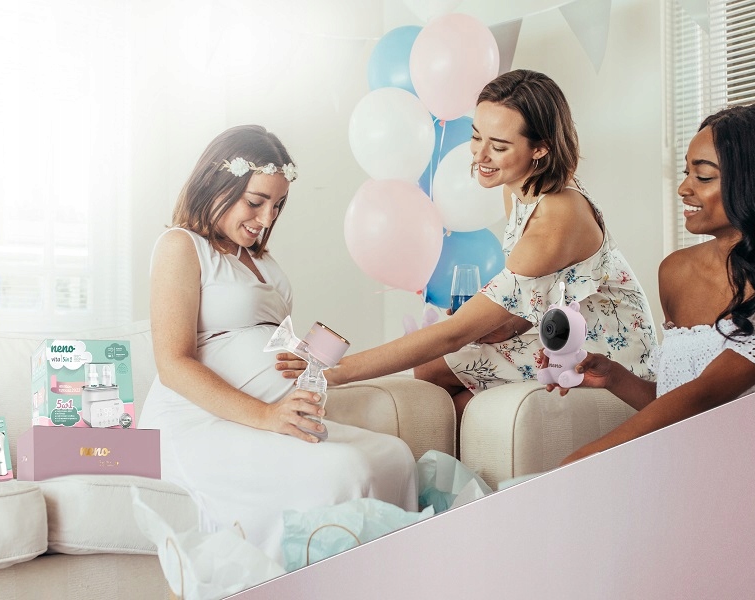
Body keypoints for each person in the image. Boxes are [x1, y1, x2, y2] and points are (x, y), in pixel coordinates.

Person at [306, 70, 657, 426]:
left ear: (540, 148)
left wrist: (338, 370)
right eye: (476, 137)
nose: (480, 155)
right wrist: (507, 326)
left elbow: (455, 333)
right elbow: (547, 292)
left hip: (609, 350)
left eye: (499, 147)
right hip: (568, 329)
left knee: (436, 373)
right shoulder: (517, 191)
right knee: (444, 387)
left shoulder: (555, 222)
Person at [138, 125, 417, 564]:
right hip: (197, 423)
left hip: (261, 417)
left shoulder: (260, 259)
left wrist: (311, 359)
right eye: (256, 202)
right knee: (345, 470)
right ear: (215, 184)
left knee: (394, 456)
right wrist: (267, 415)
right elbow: (173, 364)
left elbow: (264, 339)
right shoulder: (182, 246)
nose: (267, 218)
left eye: (278, 204)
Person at [548, 102, 755, 465]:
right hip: (685, 464)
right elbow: (677, 402)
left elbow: (706, 394)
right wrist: (615, 378)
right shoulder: (676, 272)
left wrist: (580, 461)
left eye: (703, 176)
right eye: (686, 172)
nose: (683, 188)